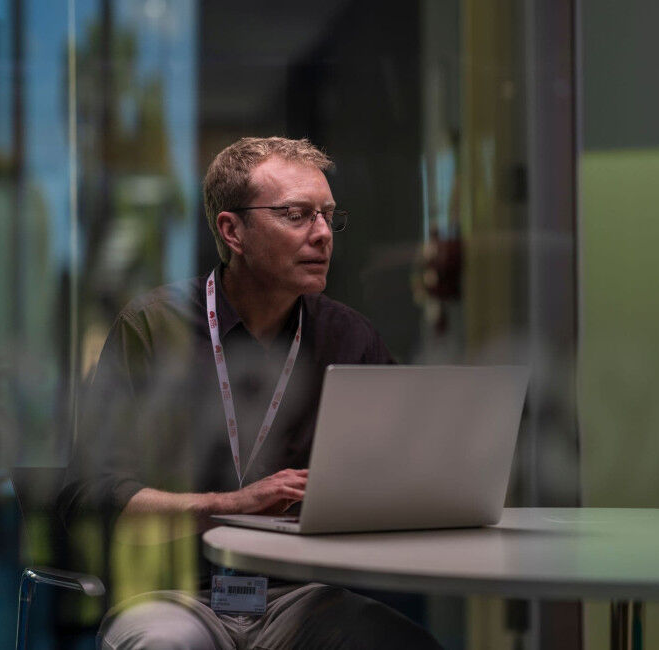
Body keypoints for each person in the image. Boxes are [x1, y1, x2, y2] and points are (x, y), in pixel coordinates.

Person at [60, 137, 442, 649]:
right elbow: (95, 496)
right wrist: (231, 504)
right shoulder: (153, 328)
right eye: (297, 215)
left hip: (303, 596)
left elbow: (403, 474)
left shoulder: (350, 338)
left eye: (329, 216)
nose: (324, 234)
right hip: (175, 593)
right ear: (232, 230)